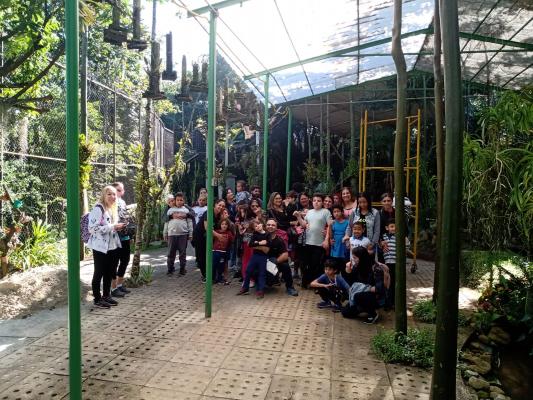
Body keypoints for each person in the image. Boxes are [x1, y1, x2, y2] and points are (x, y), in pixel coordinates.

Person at [87, 185, 126, 308]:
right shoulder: (98, 209)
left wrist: (118, 226)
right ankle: (97, 299)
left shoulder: (111, 208)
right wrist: (112, 227)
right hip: (100, 246)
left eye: (114, 194)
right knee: (99, 272)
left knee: (109, 272)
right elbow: (92, 229)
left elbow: (111, 226)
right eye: (109, 194)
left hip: (112, 245)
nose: (112, 196)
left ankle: (106, 295)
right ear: (103, 195)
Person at [294, 193, 332, 288]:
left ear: (322, 202)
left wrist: (326, 239)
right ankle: (306, 282)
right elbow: (304, 225)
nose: (316, 202)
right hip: (307, 242)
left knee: (316, 264)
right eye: (314, 200)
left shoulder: (326, 211)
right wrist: (298, 216)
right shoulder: (310, 212)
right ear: (312, 201)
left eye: (319, 201)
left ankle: (315, 284)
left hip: (319, 243)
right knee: (306, 264)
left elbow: (330, 226)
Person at [192, 198, 225, 282]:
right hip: (199, 236)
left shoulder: (219, 215)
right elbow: (207, 228)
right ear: (215, 205)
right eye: (219, 205)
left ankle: (210, 274)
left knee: (209, 255)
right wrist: (218, 235)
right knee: (201, 256)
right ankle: (205, 276)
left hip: (209, 237)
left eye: (223, 206)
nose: (221, 207)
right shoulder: (208, 213)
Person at [263, 219, 298, 296]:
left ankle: (290, 287)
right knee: (253, 268)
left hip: (275, 263)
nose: (270, 226)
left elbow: (285, 255)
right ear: (265, 226)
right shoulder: (261, 237)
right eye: (268, 225)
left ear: (276, 227)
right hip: (263, 263)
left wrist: (274, 263)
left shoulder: (279, 240)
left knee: (286, 266)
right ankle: (263, 283)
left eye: (273, 225)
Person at [380, 219, 409, 309]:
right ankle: (388, 302)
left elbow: (407, 246)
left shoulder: (400, 236)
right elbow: (380, 246)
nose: (394, 228)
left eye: (396, 226)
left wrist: (405, 241)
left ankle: (396, 303)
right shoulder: (384, 237)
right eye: (392, 226)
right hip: (387, 264)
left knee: (396, 283)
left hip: (397, 263)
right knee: (388, 283)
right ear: (387, 228)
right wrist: (381, 243)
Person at [237, 219, 269, 298]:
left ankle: (261, 290)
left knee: (262, 273)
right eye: (255, 226)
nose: (257, 226)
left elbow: (267, 244)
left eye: (258, 224)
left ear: (262, 224)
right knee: (248, 271)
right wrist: (260, 243)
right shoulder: (254, 234)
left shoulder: (267, 234)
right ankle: (245, 288)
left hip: (263, 256)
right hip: (255, 256)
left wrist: (256, 243)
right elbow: (250, 244)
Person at [110, 182, 132, 297]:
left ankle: (119, 285)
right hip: (114, 236)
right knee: (114, 262)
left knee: (125, 260)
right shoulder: (109, 203)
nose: (120, 192)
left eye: (121, 190)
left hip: (125, 235)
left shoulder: (122, 202)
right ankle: (113, 288)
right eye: (117, 190)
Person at [164, 192, 194, 276]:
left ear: (184, 201)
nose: (179, 202)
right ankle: (170, 269)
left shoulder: (186, 210)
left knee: (182, 253)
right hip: (171, 235)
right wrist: (165, 233)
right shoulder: (170, 210)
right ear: (175, 200)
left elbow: (190, 223)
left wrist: (190, 234)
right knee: (171, 253)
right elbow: (166, 222)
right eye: (178, 200)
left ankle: (182, 269)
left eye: (181, 200)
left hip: (183, 235)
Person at [212, 218, 234, 284]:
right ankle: (213, 278)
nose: (224, 225)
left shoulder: (229, 233)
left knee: (221, 266)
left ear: (228, 226)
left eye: (225, 224)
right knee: (214, 265)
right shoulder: (216, 232)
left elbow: (232, 240)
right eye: (222, 224)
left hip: (223, 253)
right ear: (220, 225)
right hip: (215, 251)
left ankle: (219, 278)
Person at [329, 204, 349, 272]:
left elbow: (348, 234)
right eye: (334, 212)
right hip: (335, 246)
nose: (336, 213)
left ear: (342, 212)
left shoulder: (347, 222)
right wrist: (330, 226)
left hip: (343, 246)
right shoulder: (333, 222)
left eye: (338, 211)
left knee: (343, 267)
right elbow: (331, 236)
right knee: (335, 267)